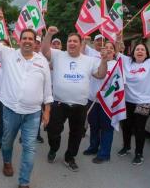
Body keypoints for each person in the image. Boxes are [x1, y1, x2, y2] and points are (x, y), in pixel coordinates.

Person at [0, 11, 53, 188]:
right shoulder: (8, 54)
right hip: (11, 110)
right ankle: (7, 161)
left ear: (35, 42)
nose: (28, 41)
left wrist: (47, 111)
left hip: (33, 113)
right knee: (7, 142)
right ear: (19, 40)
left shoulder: (42, 62)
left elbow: (47, 89)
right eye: (25, 38)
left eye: (31, 39)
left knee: (29, 148)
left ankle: (24, 182)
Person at [41, 27, 109, 172]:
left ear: (80, 44)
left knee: (76, 134)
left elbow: (100, 75)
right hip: (59, 103)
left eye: (75, 41)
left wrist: (104, 61)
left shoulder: (89, 60)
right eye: (69, 41)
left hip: (80, 105)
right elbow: (44, 50)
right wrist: (49, 34)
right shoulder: (58, 55)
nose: (71, 43)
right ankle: (54, 148)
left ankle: (69, 157)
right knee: (53, 131)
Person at [116, 28, 150, 165]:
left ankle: (139, 154)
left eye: (142, 50)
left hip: (144, 102)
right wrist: (118, 38)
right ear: (133, 52)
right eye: (137, 49)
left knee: (139, 127)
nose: (139, 51)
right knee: (126, 126)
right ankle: (126, 147)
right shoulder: (127, 61)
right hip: (127, 101)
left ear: (146, 54)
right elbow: (116, 51)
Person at [82, 41, 118, 164]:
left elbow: (117, 86)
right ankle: (93, 147)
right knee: (94, 126)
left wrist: (105, 95)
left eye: (110, 48)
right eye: (105, 47)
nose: (108, 49)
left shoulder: (117, 65)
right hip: (92, 100)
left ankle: (104, 153)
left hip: (107, 103)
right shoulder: (94, 62)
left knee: (106, 128)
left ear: (114, 52)